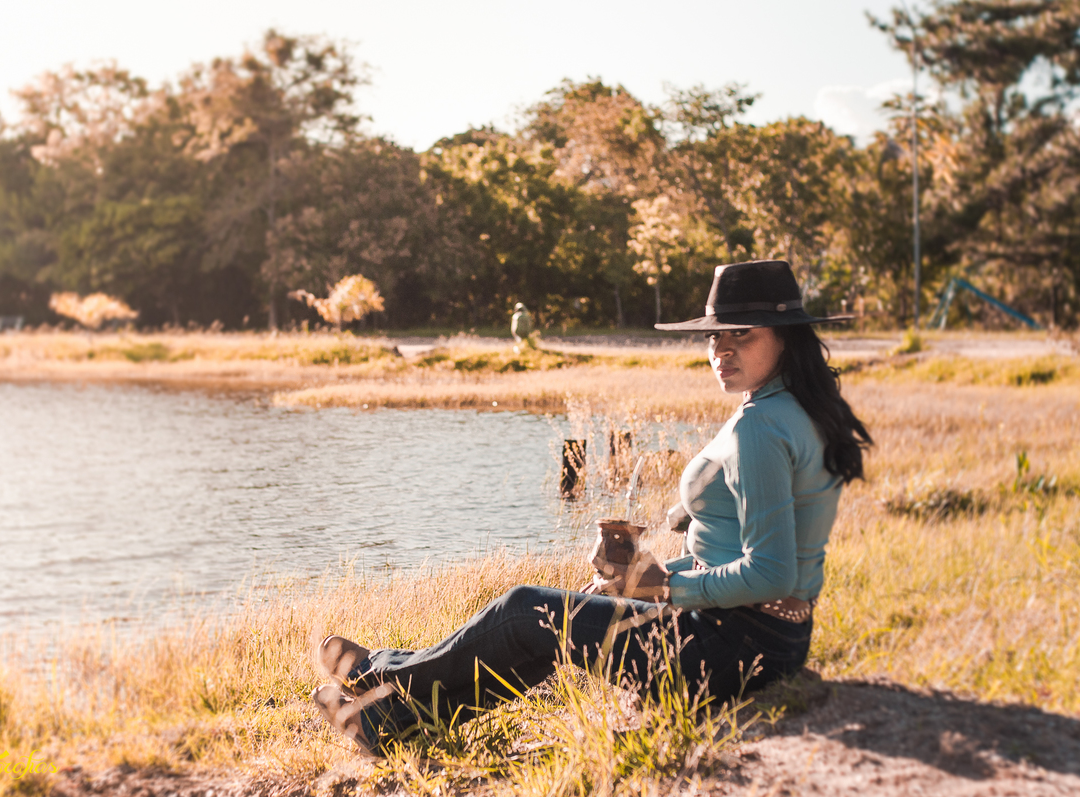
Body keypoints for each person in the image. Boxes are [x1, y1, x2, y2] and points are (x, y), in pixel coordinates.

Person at [312, 260, 873, 755]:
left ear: (786, 336)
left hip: (728, 648)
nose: (721, 351)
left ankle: (376, 676)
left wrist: (663, 590)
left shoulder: (760, 427)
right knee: (554, 620)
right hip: (770, 640)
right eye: (713, 337)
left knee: (524, 608)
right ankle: (385, 710)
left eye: (740, 336)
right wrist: (645, 578)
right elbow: (761, 564)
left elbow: (771, 571)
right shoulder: (797, 407)